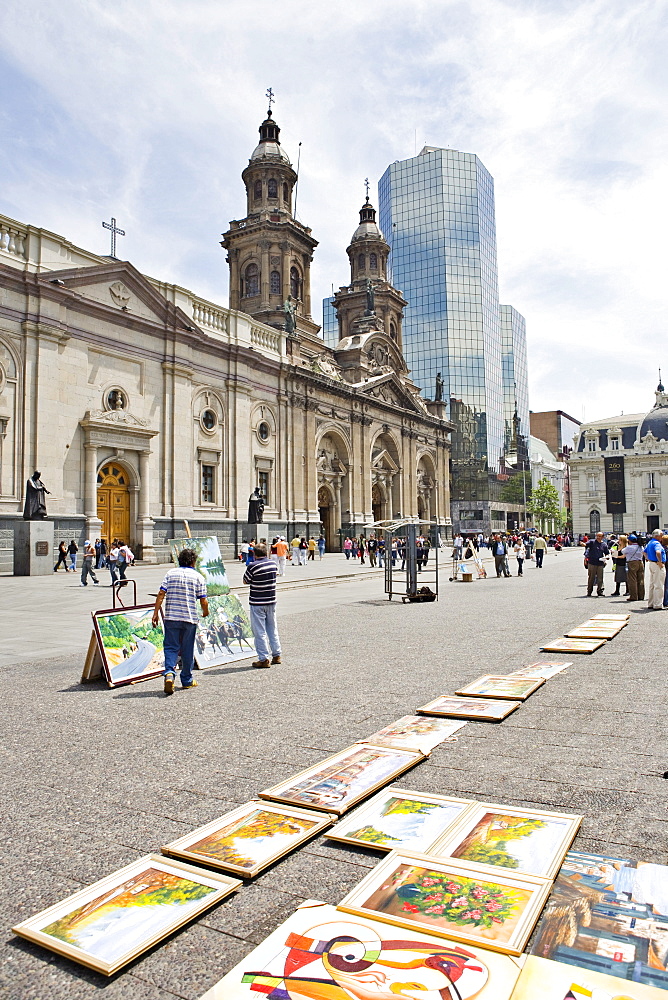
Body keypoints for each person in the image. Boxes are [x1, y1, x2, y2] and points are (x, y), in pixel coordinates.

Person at [153, 547, 209, 694]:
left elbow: (161, 593)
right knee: (187, 649)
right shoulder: (198, 577)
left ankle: (170, 673)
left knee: (171, 647)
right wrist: (205, 612)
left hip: (171, 617)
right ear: (193, 562)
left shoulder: (170, 573)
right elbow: (203, 600)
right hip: (189, 618)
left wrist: (155, 613)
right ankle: (187, 680)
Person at [243, 543, 281, 668]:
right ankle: (277, 655)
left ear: (254, 553)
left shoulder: (252, 566)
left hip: (257, 602)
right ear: (266, 553)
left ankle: (264, 659)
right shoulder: (273, 564)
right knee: (272, 629)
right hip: (271, 601)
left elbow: (245, 581)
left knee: (259, 631)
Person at [644, 528, 666, 610]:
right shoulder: (657, 543)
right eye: (661, 535)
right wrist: (660, 561)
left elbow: (644, 552)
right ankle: (658, 604)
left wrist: (648, 558)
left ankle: (651, 603)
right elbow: (658, 552)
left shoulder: (650, 542)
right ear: (658, 536)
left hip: (652, 563)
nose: (662, 537)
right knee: (659, 585)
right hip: (657, 564)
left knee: (652, 584)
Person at [584, 531, 609, 596]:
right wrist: (583, 544)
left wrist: (606, 557)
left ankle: (600, 591)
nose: (598, 537)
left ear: (603, 537)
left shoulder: (604, 544)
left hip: (600, 563)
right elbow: (586, 544)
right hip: (592, 563)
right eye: (597, 536)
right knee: (591, 578)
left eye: (600, 536)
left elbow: (607, 553)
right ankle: (589, 591)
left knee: (600, 578)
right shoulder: (592, 542)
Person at [622, 533, 645, 602]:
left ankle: (633, 596)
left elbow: (623, 551)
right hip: (640, 562)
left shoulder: (629, 547)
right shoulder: (640, 547)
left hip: (632, 562)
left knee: (632, 579)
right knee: (640, 579)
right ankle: (641, 595)